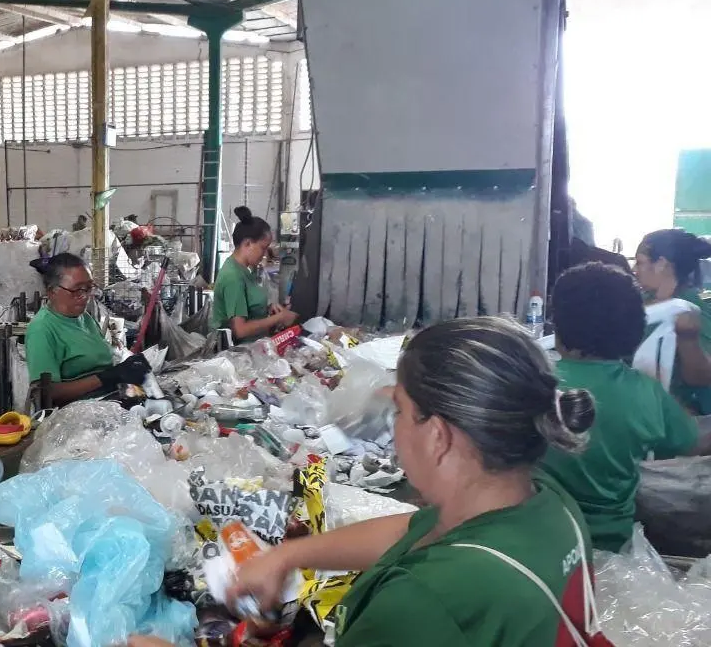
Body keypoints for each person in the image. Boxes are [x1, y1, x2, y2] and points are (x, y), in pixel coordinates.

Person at [223, 317, 601, 645]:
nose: (393, 425)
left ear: (438, 436)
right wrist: (286, 557)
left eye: (400, 410)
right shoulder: (547, 503)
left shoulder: (419, 604)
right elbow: (412, 531)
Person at [541, 262, 697, 552]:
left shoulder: (531, 383)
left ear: (558, 324)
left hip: (545, 540)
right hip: (614, 545)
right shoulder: (647, 392)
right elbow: (689, 441)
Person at [24, 253, 150, 405]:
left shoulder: (84, 317)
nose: (85, 296)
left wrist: (126, 368)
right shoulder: (42, 329)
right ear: (52, 292)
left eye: (89, 288)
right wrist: (107, 377)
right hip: (76, 412)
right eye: (77, 290)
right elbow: (46, 394)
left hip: (107, 400)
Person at [633, 228, 711, 414]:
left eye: (640, 263)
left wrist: (688, 339)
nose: (634, 270)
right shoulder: (640, 301)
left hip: (675, 414)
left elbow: (701, 377)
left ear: (661, 264)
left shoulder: (690, 310)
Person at [211, 207, 296, 343]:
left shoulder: (243, 270)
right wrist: (279, 318)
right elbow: (240, 330)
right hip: (240, 351)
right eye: (263, 248)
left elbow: (248, 305)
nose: (264, 254)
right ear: (248, 243)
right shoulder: (233, 276)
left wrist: (266, 309)